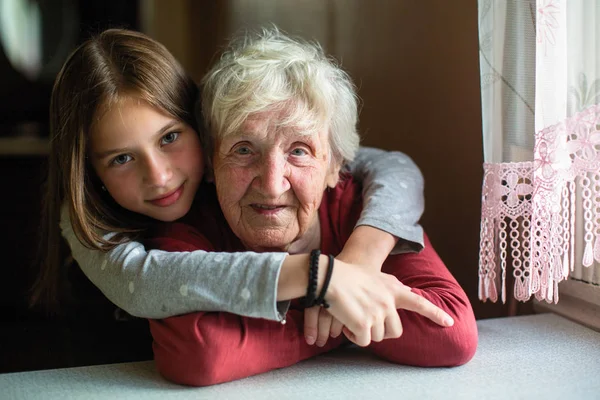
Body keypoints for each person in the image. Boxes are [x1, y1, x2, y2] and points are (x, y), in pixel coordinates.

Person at [32, 28, 444, 357]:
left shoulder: (232, 178)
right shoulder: (90, 224)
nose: (158, 177)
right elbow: (144, 288)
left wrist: (362, 260)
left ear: (199, 130)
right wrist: (321, 278)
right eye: (121, 159)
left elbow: (389, 165)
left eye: (170, 137)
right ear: (89, 171)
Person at [143, 27, 478, 386]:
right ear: (210, 164)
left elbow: (451, 330)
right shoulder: (188, 228)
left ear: (336, 167)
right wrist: (336, 297)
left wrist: (333, 301)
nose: (272, 184)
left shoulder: (361, 210)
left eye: (299, 151)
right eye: (243, 149)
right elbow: (202, 355)